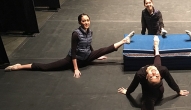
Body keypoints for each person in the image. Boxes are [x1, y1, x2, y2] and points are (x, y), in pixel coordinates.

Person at [4, 13, 135, 78]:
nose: (86, 23)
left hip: (87, 56)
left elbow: (89, 45)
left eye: (88, 20)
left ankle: (124, 41)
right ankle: (19, 66)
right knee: (47, 67)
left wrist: (95, 55)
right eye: (83, 21)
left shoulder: (90, 32)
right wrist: (76, 69)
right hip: (75, 59)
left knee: (103, 50)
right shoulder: (75, 34)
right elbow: (73, 53)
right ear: (80, 22)